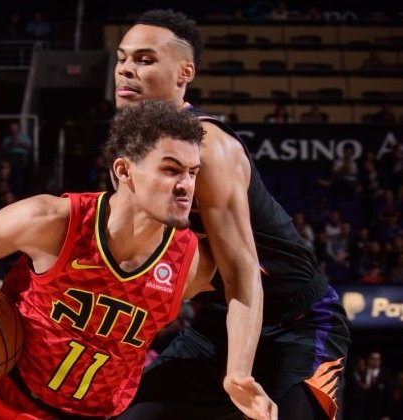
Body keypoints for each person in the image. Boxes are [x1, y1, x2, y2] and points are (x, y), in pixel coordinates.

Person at [0, 101, 216, 418]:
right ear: (124, 170)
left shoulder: (192, 263)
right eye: (171, 170)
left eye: (193, 173)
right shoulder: (54, 221)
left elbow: (243, 297)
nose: (186, 185)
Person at [113, 9, 350, 420]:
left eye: (145, 59)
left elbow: (243, 271)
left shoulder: (208, 147)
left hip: (297, 322)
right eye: (121, 58)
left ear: (185, 72)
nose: (126, 69)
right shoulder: (130, 153)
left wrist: (238, 372)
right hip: (221, 322)